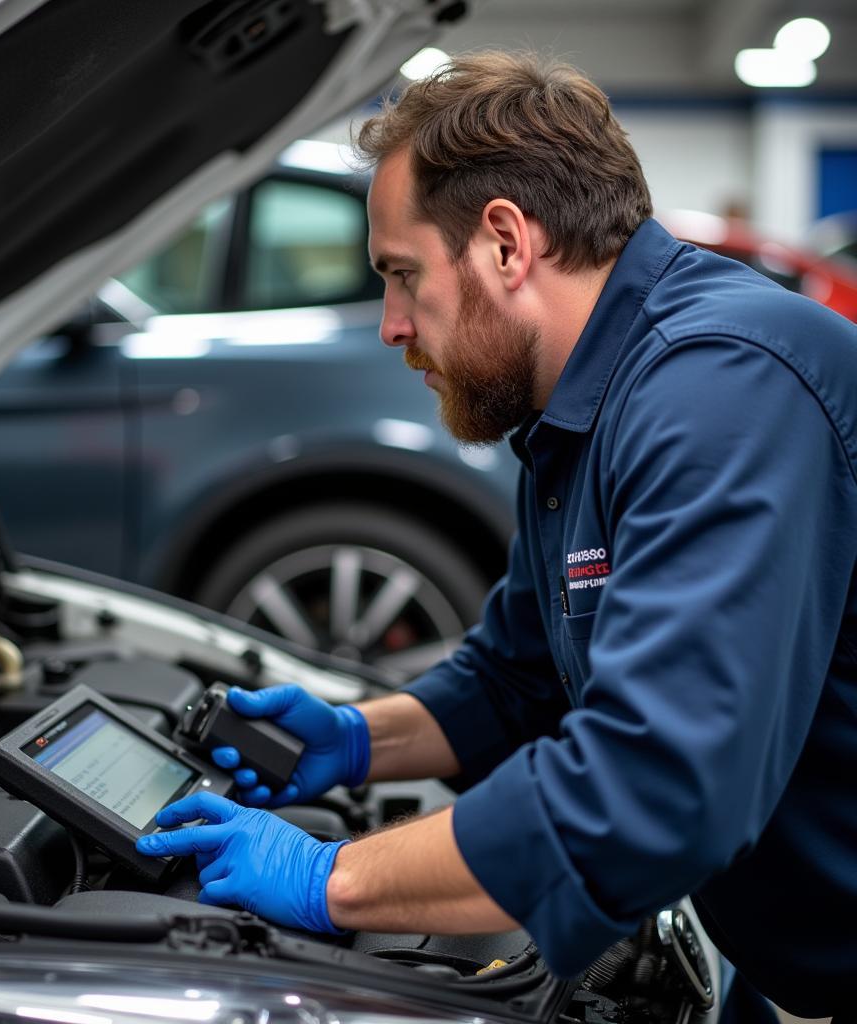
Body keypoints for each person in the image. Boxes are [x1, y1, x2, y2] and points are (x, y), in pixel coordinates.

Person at [137, 52, 857, 1015]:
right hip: (780, 954)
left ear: (507, 244)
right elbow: (514, 676)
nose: (392, 325)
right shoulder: (583, 407)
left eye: (402, 275)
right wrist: (356, 743)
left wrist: (332, 877)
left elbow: (651, 795)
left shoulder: (723, 387)